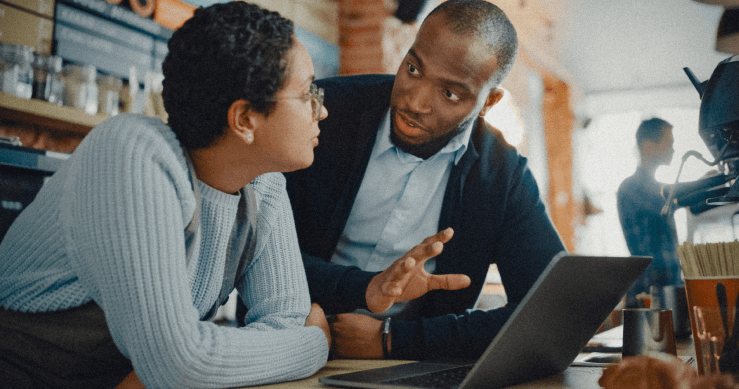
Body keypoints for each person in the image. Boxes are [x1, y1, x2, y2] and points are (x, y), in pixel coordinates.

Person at [0, 3, 336, 388]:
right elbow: (179, 364)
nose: (321, 111)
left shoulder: (265, 185)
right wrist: (315, 344)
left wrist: (196, 357)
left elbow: (284, 322)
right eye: (306, 92)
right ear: (244, 119)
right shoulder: (131, 154)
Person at [282, 0, 566, 361]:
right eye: (413, 68)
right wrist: (360, 290)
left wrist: (392, 339)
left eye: (449, 93)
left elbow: (551, 313)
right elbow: (256, 250)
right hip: (287, 344)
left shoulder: (502, 175)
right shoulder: (323, 112)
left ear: (487, 102)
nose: (414, 102)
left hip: (410, 366)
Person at [617, 117, 683, 308]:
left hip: (668, 286)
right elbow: (666, 202)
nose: (673, 149)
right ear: (647, 146)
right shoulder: (630, 187)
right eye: (668, 143)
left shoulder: (657, 187)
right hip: (647, 291)